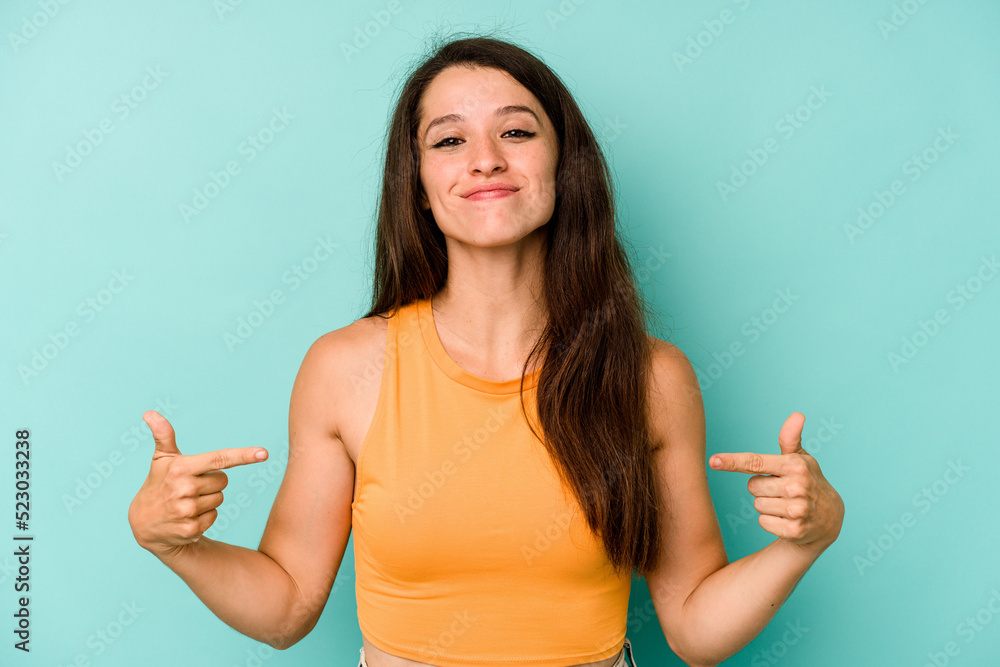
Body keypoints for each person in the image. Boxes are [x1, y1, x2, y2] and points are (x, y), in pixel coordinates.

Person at [127, 34, 845, 667]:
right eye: (448, 140)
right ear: (419, 186)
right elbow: (285, 607)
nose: (485, 160)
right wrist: (174, 543)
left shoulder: (652, 378)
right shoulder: (345, 369)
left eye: (517, 132)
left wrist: (803, 541)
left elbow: (694, 627)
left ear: (567, 166)